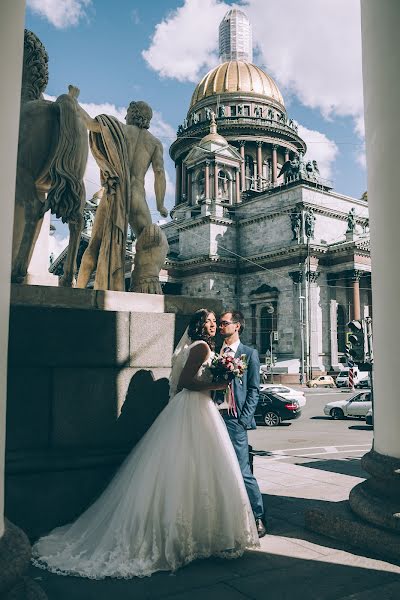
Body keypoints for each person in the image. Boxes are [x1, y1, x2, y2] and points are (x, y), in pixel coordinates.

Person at [31, 309, 259, 579]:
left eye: (216, 322)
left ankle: (195, 535)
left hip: (192, 408)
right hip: (195, 408)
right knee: (200, 468)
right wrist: (218, 383)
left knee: (189, 470)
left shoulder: (196, 347)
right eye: (209, 321)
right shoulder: (200, 348)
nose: (214, 325)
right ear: (199, 326)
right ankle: (195, 537)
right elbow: (187, 382)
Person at [68, 87, 168, 290]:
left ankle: (78, 290)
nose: (124, 115)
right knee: (151, 241)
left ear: (132, 115)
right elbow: (159, 173)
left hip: (115, 193)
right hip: (138, 197)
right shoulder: (155, 143)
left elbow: (89, 124)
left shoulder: (119, 129)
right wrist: (160, 204)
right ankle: (146, 283)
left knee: (94, 244)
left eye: (127, 113)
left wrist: (74, 101)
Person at [217, 310, 267, 537]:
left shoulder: (249, 354)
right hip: (213, 416)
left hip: (234, 419)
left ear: (237, 326)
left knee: (243, 470)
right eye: (219, 323)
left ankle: (258, 516)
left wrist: (244, 419)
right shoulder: (214, 352)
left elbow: (255, 389)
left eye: (224, 323)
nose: (220, 326)